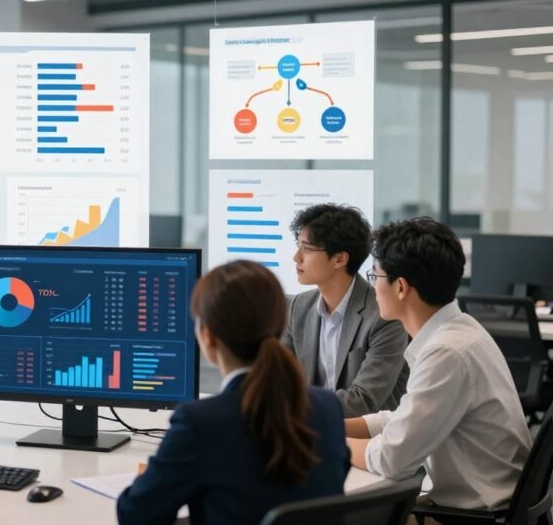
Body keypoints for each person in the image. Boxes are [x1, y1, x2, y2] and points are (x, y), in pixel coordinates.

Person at [117, 260, 349, 525]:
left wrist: (147, 480)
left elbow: (135, 515)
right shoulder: (328, 407)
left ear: (208, 336)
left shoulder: (200, 422)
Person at [345, 218, 531, 511]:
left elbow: (391, 460)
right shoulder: (459, 330)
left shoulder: (447, 353)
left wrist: (326, 444)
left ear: (401, 287)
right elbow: (406, 419)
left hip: (469, 516)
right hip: (476, 503)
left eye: (375, 276)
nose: (373, 287)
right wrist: (333, 427)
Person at [283, 204, 409, 417]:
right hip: (308, 430)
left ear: (339, 259)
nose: (297, 257)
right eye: (298, 245)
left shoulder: (384, 316)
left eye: (307, 248)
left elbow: (364, 400)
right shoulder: (299, 307)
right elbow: (278, 378)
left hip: (367, 440)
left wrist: (292, 404)